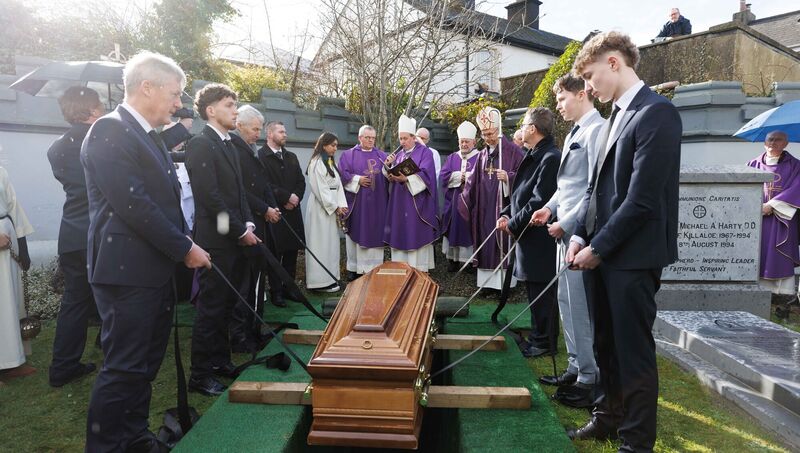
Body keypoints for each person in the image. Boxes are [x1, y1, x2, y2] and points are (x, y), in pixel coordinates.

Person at [82, 51, 211, 452]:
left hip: (149, 271)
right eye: (174, 94)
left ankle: (134, 439)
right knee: (124, 368)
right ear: (147, 87)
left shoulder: (145, 135)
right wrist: (185, 247)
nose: (178, 104)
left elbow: (163, 200)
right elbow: (134, 204)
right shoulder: (110, 130)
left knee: (143, 367)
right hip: (126, 273)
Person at [566, 31, 682, 451]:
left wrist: (599, 248)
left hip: (632, 256)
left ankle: (636, 440)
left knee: (631, 351)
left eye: (592, 76)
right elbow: (597, 189)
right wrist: (580, 234)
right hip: (602, 252)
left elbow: (643, 200)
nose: (589, 87)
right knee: (604, 343)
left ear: (614, 63)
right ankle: (607, 417)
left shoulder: (658, 114)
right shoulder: (615, 115)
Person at [530, 74, 603, 407]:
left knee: (581, 307)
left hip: (579, 234)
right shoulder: (576, 131)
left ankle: (589, 377)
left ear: (580, 93)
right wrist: (548, 208)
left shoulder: (597, 130)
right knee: (566, 304)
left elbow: (594, 189)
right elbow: (567, 185)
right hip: (563, 230)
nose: (558, 106)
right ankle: (575, 365)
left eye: (561, 99)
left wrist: (569, 224)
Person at [186, 83, 259, 397]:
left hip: (234, 237)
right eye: (230, 105)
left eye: (235, 104)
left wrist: (247, 221)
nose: (235, 110)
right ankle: (200, 374)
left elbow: (237, 193)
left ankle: (220, 361)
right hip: (215, 242)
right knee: (211, 308)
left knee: (229, 305)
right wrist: (238, 231)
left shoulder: (229, 143)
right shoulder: (200, 144)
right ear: (211, 110)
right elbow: (211, 198)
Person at [46, 86, 103, 388]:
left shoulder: (56, 147)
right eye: (101, 105)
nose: (104, 109)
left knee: (75, 302)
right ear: (92, 111)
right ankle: (112, 346)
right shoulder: (101, 139)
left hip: (70, 233)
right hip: (99, 232)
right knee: (115, 294)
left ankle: (63, 366)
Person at [496, 107, 560, 358]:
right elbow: (520, 193)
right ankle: (537, 335)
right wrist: (505, 213)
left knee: (543, 291)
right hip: (527, 233)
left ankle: (545, 341)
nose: (520, 130)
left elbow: (538, 201)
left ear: (533, 129)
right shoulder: (534, 154)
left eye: (523, 125)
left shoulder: (550, 158)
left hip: (541, 237)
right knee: (534, 290)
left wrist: (513, 224)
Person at [230, 105, 282, 352]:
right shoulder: (234, 150)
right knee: (246, 283)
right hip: (247, 224)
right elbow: (241, 191)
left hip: (260, 222)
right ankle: (242, 336)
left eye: (260, 129)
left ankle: (255, 329)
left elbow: (262, 184)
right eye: (255, 128)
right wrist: (265, 209)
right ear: (239, 125)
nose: (258, 134)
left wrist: (271, 206)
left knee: (256, 281)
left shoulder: (248, 150)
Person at [458, 107, 524, 290]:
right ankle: (486, 285)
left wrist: (509, 178)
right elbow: (472, 180)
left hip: (503, 207)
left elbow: (526, 178)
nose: (487, 138)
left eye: (490, 133)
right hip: (483, 208)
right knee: (485, 242)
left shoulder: (513, 152)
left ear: (499, 130)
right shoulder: (482, 155)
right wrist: (464, 199)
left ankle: (504, 285)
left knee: (501, 242)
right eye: (484, 134)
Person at [747, 130, 800, 314]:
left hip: (782, 219)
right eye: (770, 139)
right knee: (758, 254)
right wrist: (757, 206)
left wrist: (772, 205)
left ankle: (783, 302)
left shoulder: (796, 166)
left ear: (786, 144)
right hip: (757, 220)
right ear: (764, 142)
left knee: (780, 255)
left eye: (778, 140)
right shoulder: (752, 165)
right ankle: (757, 297)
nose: (773, 143)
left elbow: (797, 188)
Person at [384, 115, 438, 271]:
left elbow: (427, 176)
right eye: (400, 138)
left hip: (416, 204)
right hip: (399, 202)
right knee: (400, 233)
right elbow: (390, 175)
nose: (402, 142)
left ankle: (418, 271)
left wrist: (407, 179)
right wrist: (389, 169)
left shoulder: (425, 153)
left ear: (414, 138)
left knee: (415, 234)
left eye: (405, 138)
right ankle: (401, 270)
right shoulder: (399, 155)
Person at [260, 121, 305, 307]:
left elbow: (301, 182)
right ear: (270, 134)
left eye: (285, 131)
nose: (285, 134)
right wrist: (286, 197)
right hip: (275, 212)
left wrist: (295, 198)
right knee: (275, 253)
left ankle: (289, 289)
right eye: (281, 131)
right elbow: (264, 185)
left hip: (293, 212)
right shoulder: (261, 156)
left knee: (291, 253)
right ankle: (276, 292)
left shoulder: (291, 156)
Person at [339, 125, 388, 280]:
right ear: (360, 138)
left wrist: (389, 167)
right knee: (355, 232)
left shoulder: (382, 156)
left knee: (375, 233)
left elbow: (390, 177)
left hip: (378, 204)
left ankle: (374, 268)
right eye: (367, 137)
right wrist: (357, 179)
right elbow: (342, 174)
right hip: (358, 203)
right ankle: (354, 268)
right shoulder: (348, 155)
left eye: (373, 138)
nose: (370, 140)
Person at [0, 167, 34, 382]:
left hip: (7, 237)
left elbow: (13, 205)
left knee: (10, 303)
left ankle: (11, 362)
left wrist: (23, 246)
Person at [305, 132, 348, 291]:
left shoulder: (329, 162)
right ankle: (318, 283)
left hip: (331, 207)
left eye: (336, 145)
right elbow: (320, 189)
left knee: (330, 244)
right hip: (320, 209)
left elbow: (338, 186)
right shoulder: (316, 163)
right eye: (333, 145)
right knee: (319, 244)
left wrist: (342, 205)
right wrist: (335, 206)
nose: (335, 149)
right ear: (323, 145)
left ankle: (330, 278)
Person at [440, 121, 479, 272]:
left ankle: (470, 261)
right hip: (454, 201)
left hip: (471, 203)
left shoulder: (480, 156)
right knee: (453, 228)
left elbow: (480, 178)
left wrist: (466, 177)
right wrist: (460, 176)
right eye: (461, 141)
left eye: (467, 141)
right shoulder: (452, 158)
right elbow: (443, 176)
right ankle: (453, 260)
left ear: (474, 142)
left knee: (469, 229)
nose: (464, 144)